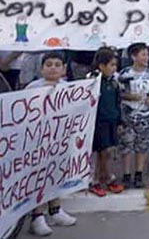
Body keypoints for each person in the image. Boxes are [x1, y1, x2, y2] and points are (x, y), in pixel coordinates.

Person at [26, 52, 76, 236]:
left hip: (60, 141)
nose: (53, 67)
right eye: (48, 64)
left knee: (56, 175)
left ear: (63, 69)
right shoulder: (32, 87)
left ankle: (55, 211)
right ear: (41, 69)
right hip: (37, 142)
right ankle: (37, 216)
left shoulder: (68, 87)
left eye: (57, 64)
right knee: (38, 179)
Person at [118, 43, 149, 189]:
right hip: (127, 116)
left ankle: (138, 173)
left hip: (144, 115)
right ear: (134, 56)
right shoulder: (124, 74)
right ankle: (126, 174)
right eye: (143, 54)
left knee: (142, 145)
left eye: (147, 54)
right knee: (126, 145)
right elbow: (119, 94)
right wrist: (130, 97)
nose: (146, 57)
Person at [88, 48, 126, 197]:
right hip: (98, 122)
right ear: (101, 66)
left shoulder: (114, 82)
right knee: (102, 151)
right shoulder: (93, 81)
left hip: (111, 120)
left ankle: (105, 176)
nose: (114, 68)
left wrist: (119, 122)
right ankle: (97, 179)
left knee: (108, 152)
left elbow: (117, 102)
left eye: (115, 65)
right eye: (111, 65)